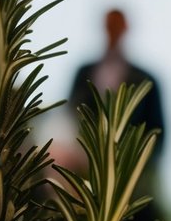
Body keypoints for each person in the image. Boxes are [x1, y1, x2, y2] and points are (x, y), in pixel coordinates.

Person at [68, 8, 165, 149]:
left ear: (125, 28)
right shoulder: (84, 73)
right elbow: (69, 115)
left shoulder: (146, 80)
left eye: (117, 25)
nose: (113, 31)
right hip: (84, 159)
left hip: (131, 162)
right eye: (110, 25)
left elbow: (156, 132)